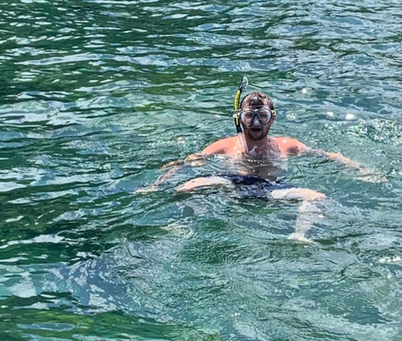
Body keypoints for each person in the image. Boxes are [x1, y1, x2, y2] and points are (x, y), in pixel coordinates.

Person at [138, 89, 374, 241]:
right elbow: (188, 162)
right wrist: (157, 184)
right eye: (249, 116)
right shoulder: (226, 145)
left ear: (272, 118)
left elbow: (327, 156)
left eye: (262, 115)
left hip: (270, 188)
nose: (256, 122)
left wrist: (361, 170)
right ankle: (185, 226)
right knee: (187, 187)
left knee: (316, 198)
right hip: (231, 185)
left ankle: (299, 237)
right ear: (240, 119)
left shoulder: (286, 145)